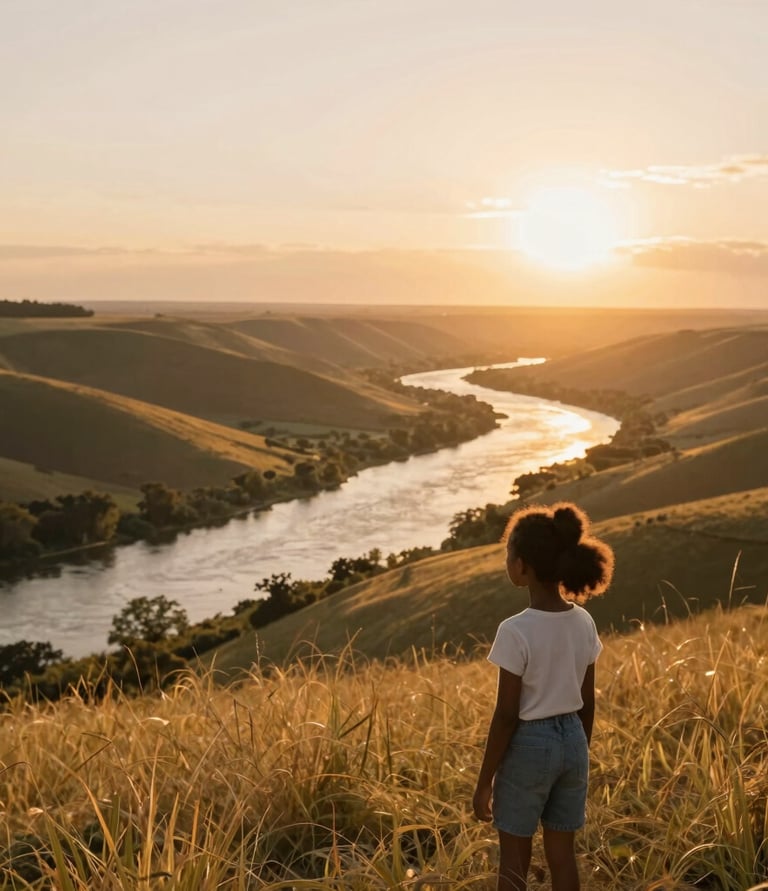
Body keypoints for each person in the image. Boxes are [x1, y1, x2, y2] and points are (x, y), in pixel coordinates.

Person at [472, 502, 614, 891]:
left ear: (523, 566)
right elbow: (587, 700)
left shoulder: (515, 631)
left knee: (514, 862)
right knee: (562, 857)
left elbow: (506, 715)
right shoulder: (583, 620)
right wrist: (576, 750)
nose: (507, 560)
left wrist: (484, 782)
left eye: (508, 553)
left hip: (529, 746)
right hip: (573, 742)